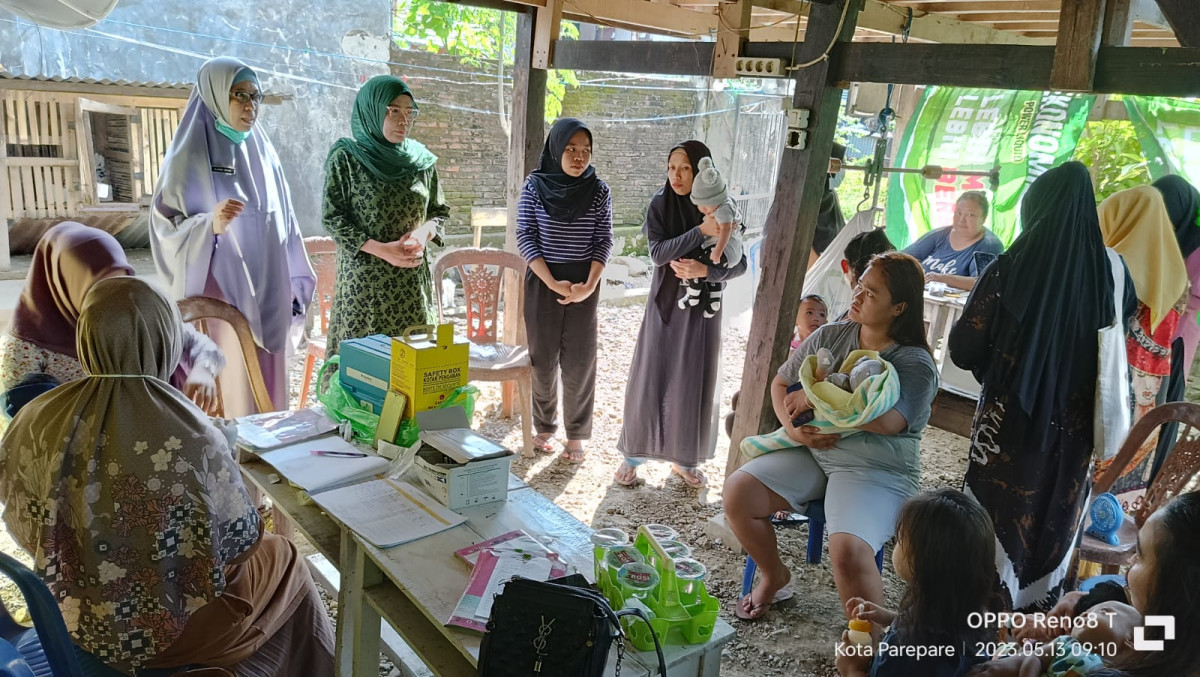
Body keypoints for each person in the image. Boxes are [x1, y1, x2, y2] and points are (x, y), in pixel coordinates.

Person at [0, 277, 334, 674]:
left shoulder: (36, 417)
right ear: (167, 341)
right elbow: (238, 542)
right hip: (176, 635)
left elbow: (26, 520)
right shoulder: (194, 434)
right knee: (286, 557)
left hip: (74, 616)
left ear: (86, 337)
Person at [948, 162, 1137, 613]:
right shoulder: (1115, 271)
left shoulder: (1009, 267)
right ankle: (1036, 618)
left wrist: (1004, 366)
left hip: (1007, 425)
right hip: (1076, 433)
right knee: (1057, 516)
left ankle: (980, 614)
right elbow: (1121, 331)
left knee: (993, 517)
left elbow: (963, 348)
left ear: (1036, 209)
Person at [724, 252, 937, 621]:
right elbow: (780, 383)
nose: (857, 296)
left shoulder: (914, 362)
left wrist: (813, 396)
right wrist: (793, 429)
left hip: (875, 465)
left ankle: (866, 643)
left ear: (899, 307)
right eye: (860, 286)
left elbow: (886, 422)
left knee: (848, 551)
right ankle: (775, 575)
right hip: (815, 451)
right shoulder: (831, 335)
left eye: (871, 293)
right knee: (738, 492)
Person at [151, 57, 315, 415]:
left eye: (255, 96)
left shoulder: (264, 153)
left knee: (268, 394)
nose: (250, 105)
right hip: (221, 296)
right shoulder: (189, 155)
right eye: (239, 94)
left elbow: (285, 222)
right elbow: (165, 230)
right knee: (233, 395)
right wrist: (207, 225)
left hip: (269, 291)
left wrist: (295, 278)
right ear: (214, 94)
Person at [0, 222, 223, 432]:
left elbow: (202, 346)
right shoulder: (22, 352)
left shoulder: (131, 311)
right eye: (99, 288)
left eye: (121, 282)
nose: (115, 299)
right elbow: (37, 431)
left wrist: (203, 371)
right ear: (64, 285)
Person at [616, 141, 747, 488]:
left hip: (702, 310)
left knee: (692, 380)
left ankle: (684, 459)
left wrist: (705, 271)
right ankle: (633, 454)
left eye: (685, 168)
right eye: (672, 167)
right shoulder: (660, 204)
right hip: (665, 306)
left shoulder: (721, 204)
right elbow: (658, 254)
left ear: (701, 169)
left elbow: (740, 263)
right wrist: (700, 232)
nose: (676, 175)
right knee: (651, 377)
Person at [969, 491, 1200, 677]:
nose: (1129, 565)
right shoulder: (1172, 639)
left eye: (1139, 556)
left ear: (1175, 588)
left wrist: (1029, 659)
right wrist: (1077, 603)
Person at [323, 75, 450, 357]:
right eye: (394, 111)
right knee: (365, 370)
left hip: (410, 287)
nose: (404, 120)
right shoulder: (347, 158)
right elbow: (333, 218)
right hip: (364, 288)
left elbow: (439, 212)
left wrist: (423, 233)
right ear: (372, 110)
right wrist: (382, 250)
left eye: (409, 112)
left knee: (413, 366)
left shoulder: (421, 161)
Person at [516, 118, 612, 463]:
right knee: (542, 359)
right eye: (571, 148)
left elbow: (603, 240)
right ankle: (544, 426)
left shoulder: (598, 191)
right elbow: (525, 235)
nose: (579, 157)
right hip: (544, 280)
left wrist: (590, 285)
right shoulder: (534, 186)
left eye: (586, 150)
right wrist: (551, 281)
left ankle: (576, 435)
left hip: (584, 282)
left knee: (580, 362)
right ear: (556, 149)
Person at [1093, 185, 1187, 509]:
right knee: (1120, 487)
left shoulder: (1109, 267)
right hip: (1148, 397)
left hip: (1105, 390)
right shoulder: (1175, 274)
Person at [836, 489, 995, 677]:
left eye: (901, 540)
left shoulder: (907, 652)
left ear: (924, 562)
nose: (896, 543)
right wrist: (891, 618)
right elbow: (939, 627)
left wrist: (852, 669)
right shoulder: (969, 615)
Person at [677, 156, 744, 318]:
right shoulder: (727, 203)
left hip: (725, 252)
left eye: (705, 206)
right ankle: (714, 301)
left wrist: (718, 250)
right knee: (712, 270)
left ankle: (693, 296)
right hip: (731, 253)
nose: (702, 210)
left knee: (696, 264)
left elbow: (726, 229)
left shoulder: (722, 210)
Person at [903, 191, 1003, 291]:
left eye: (970, 215)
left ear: (983, 219)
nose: (962, 219)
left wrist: (941, 279)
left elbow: (983, 283)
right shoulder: (940, 235)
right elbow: (903, 258)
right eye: (958, 213)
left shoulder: (989, 246)